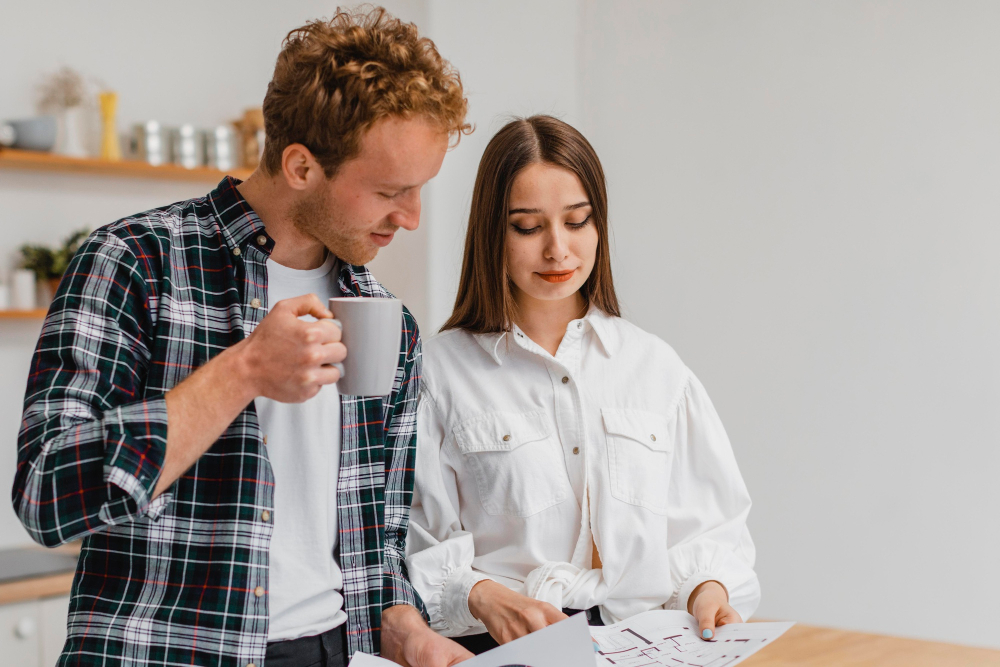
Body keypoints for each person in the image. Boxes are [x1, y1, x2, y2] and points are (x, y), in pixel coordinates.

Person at [13, 8, 475, 667]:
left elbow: (375, 548)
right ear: (301, 166)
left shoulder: (386, 321)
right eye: (390, 191)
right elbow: (45, 495)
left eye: (420, 190)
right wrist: (242, 371)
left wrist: (407, 631)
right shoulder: (135, 262)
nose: (411, 217)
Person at [405, 115, 760, 654]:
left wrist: (708, 590)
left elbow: (708, 529)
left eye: (577, 221)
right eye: (528, 227)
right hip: (503, 648)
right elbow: (411, 542)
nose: (558, 249)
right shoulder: (438, 373)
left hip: (643, 646)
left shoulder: (655, 368)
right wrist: (480, 594)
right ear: (491, 232)